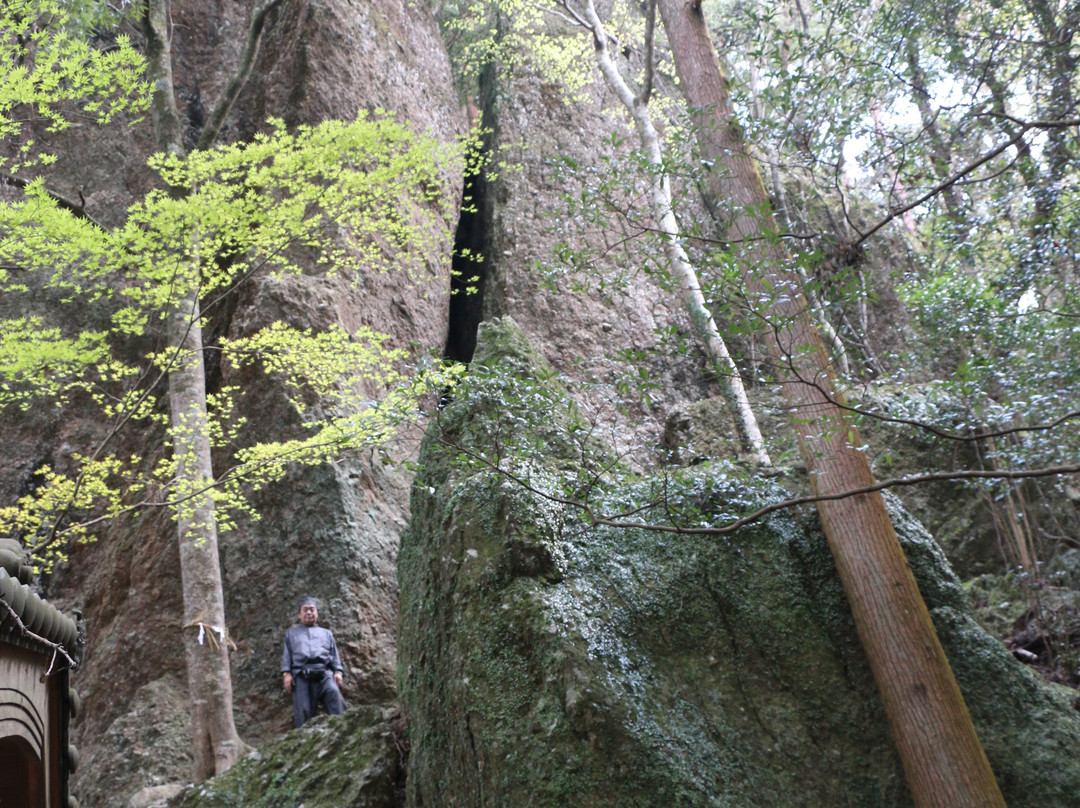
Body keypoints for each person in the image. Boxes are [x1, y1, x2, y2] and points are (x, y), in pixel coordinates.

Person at [281, 597, 346, 727]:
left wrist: (338, 671)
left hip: (324, 675)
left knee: (335, 696)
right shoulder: (291, 634)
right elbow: (287, 655)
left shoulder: (326, 633)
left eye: (312, 610)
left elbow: (334, 655)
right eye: (305, 610)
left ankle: (345, 729)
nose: (309, 613)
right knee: (302, 710)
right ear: (299, 615)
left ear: (317, 613)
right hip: (301, 675)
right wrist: (286, 674)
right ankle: (302, 741)